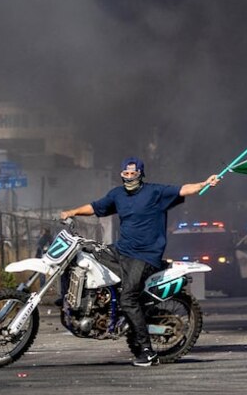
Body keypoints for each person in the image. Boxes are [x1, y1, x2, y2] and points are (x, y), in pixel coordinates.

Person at [59, 157, 219, 367]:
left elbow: (182, 190)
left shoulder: (155, 192)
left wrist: (205, 183)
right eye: (125, 173)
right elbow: (96, 207)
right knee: (86, 255)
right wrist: (72, 212)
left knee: (128, 299)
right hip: (121, 250)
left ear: (140, 174)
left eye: (133, 174)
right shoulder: (117, 194)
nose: (129, 177)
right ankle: (96, 306)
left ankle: (147, 352)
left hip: (145, 256)